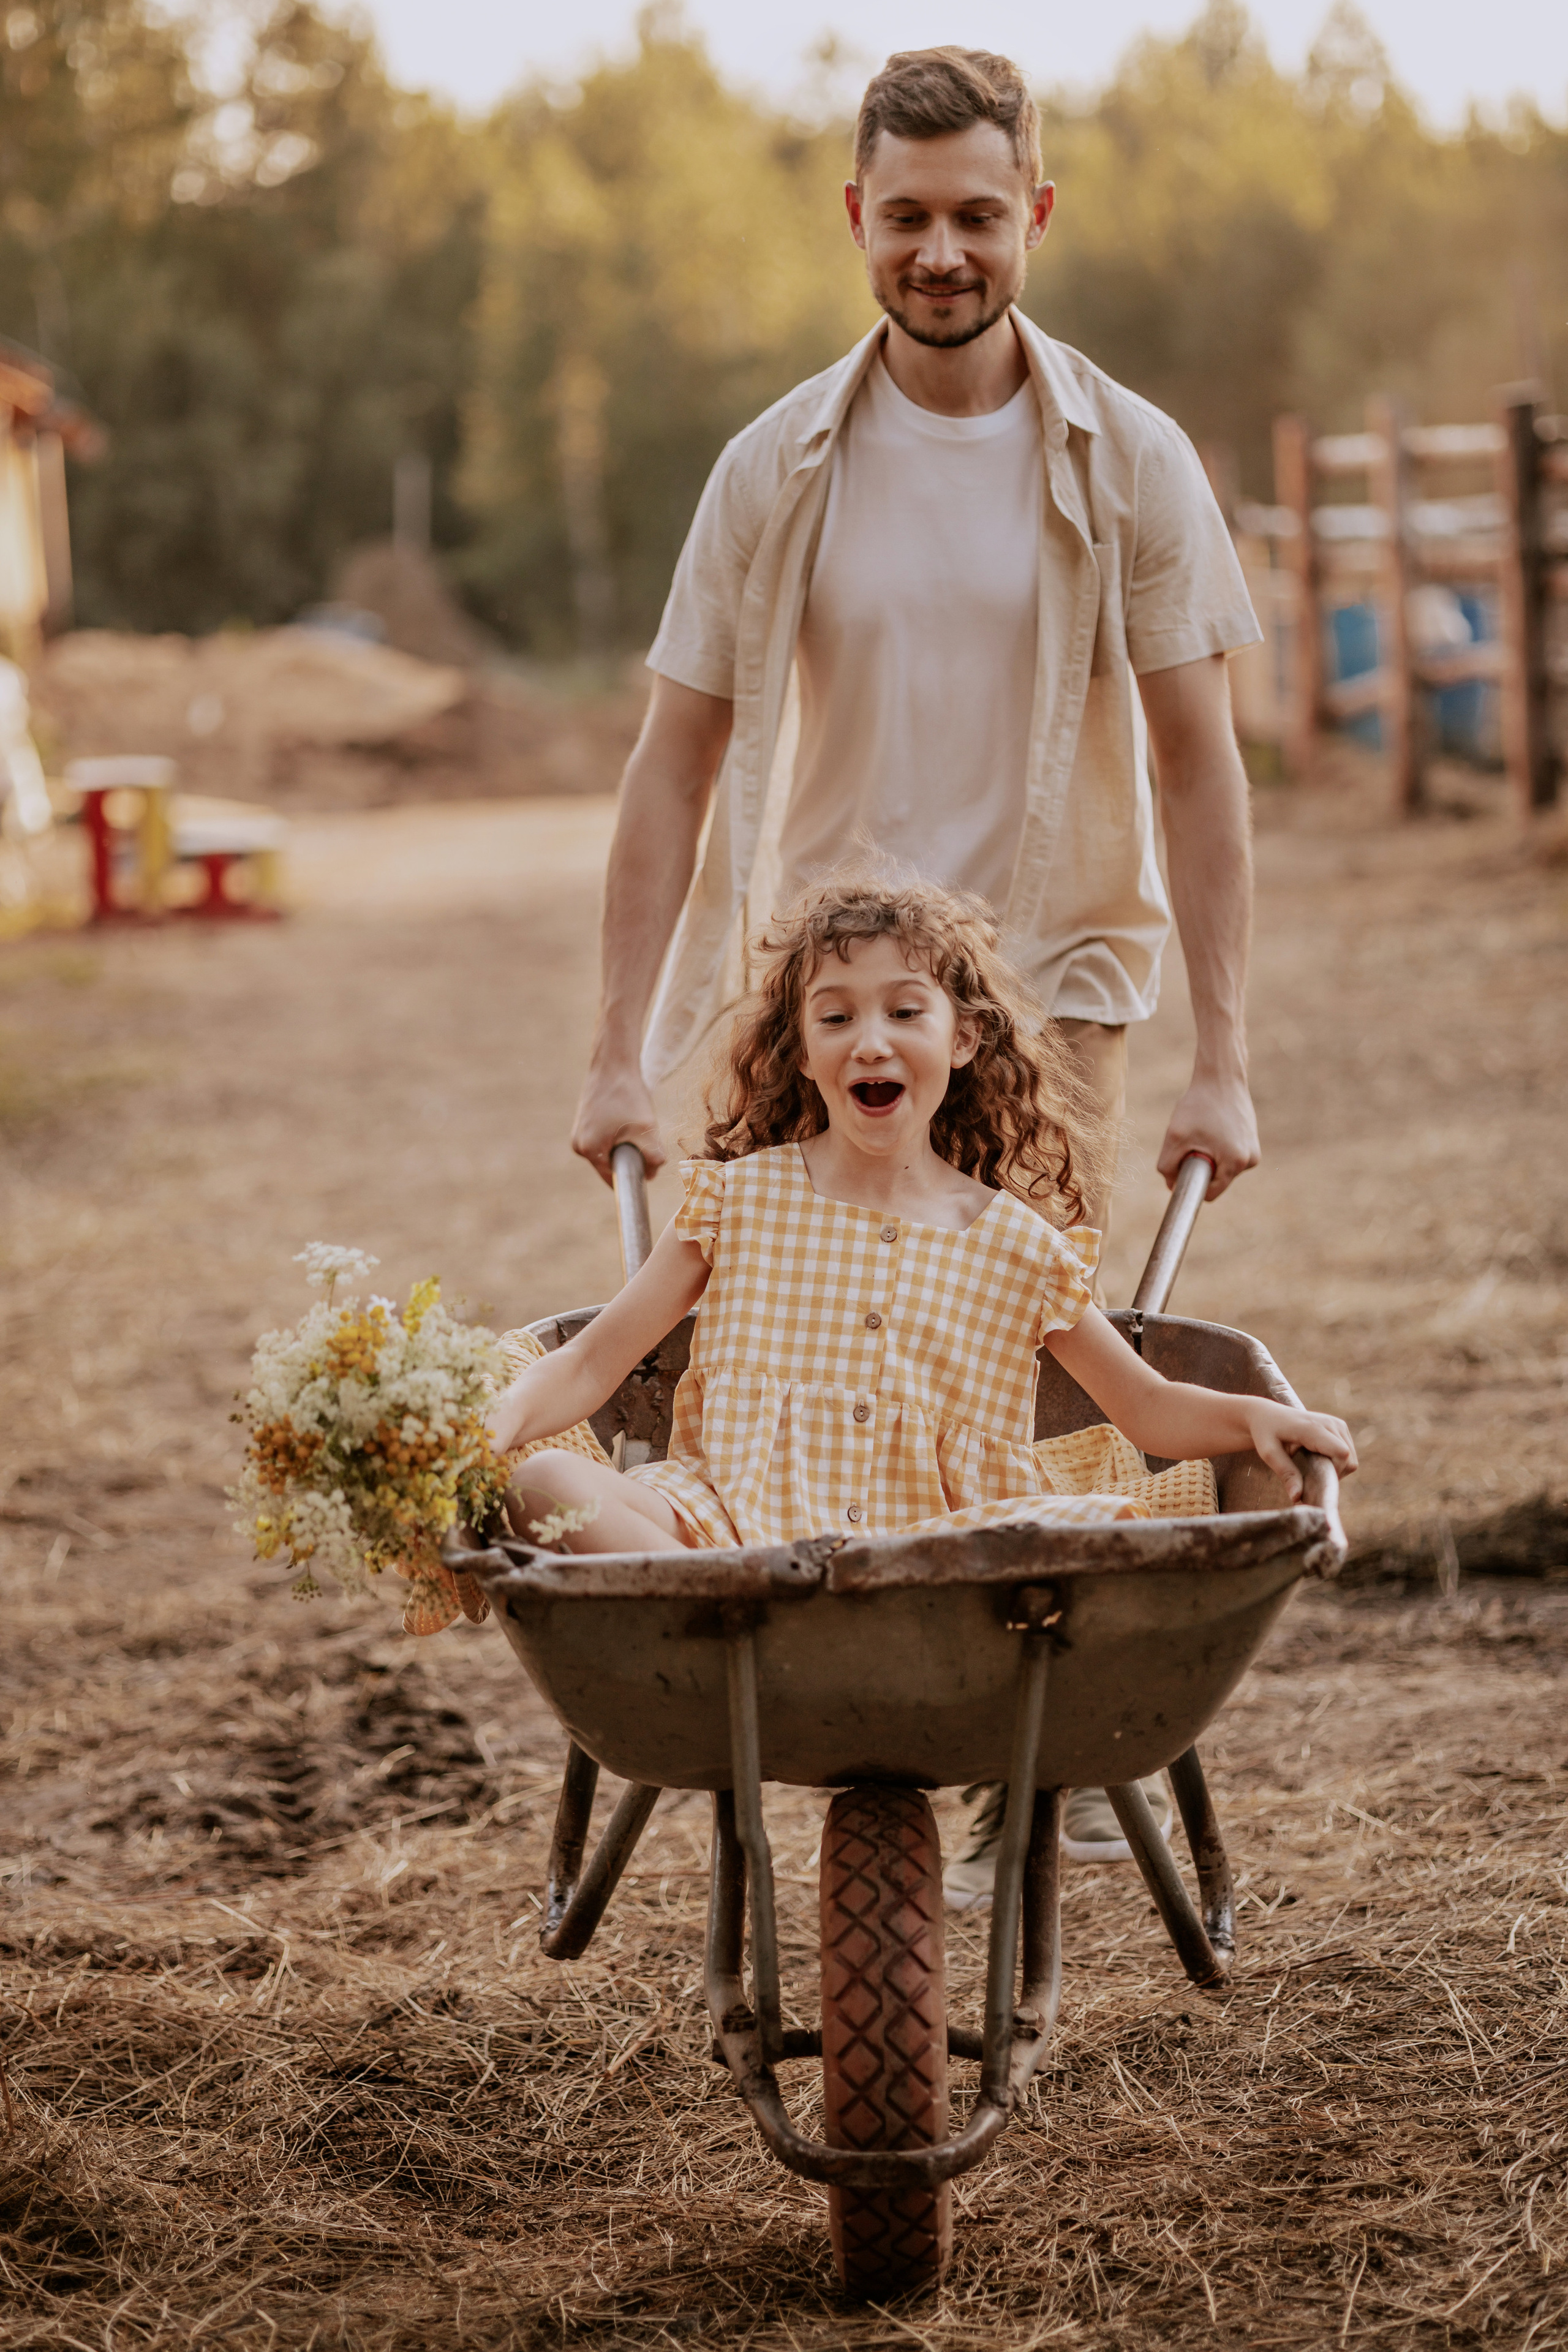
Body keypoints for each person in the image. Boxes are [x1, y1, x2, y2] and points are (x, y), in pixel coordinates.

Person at [570, 47, 1266, 1875]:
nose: (941, 250)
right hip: (826, 986)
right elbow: (674, 761)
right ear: (856, 222)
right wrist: (614, 1045)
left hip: (1054, 982)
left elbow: (1202, 764)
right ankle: (817, 1690)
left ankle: (1047, 1742)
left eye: (976, 213)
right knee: (784, 1344)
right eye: (907, 217)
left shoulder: (1135, 463)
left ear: (1033, 211)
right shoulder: (776, 465)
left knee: (1035, 1344)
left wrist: (1228, 1051)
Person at [493, 876, 1353, 1662]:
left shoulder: (1019, 1247)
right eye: (835, 1019)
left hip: (938, 1565)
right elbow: (591, 1363)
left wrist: (1259, 1419)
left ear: (966, 1038)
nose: (870, 1042)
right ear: (800, 1051)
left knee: (1105, 1533)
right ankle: (740, 1632)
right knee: (547, 1482)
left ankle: (770, 1646)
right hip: (728, 1536)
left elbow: (1147, 1408)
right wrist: (495, 1425)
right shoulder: (741, 1203)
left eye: (906, 1013)